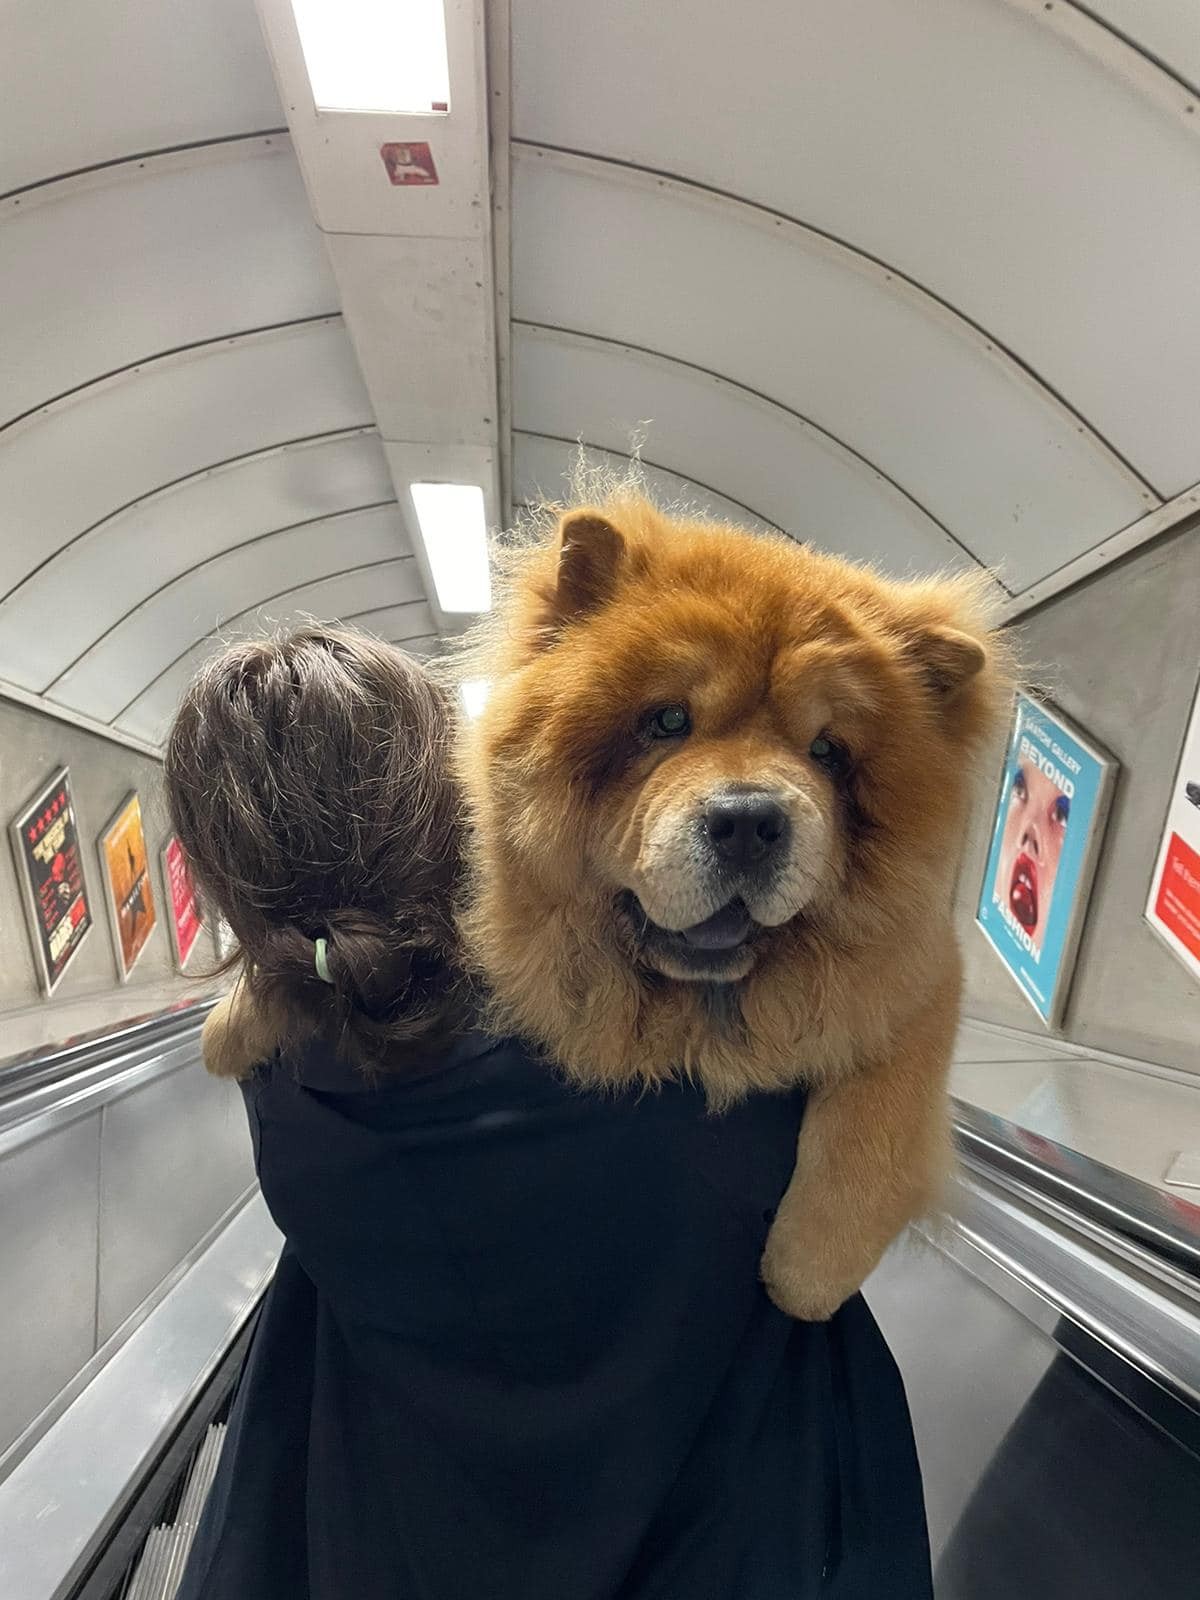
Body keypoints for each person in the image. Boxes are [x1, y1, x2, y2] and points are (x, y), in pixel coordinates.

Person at [165, 626, 932, 1600]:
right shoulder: (703, 1049)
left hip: (402, 1533)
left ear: (222, 881)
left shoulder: (277, 1091)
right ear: (459, 792)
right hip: (715, 1534)